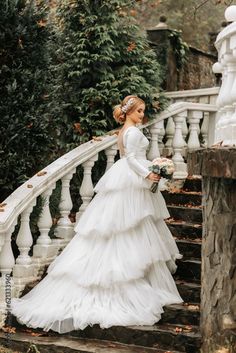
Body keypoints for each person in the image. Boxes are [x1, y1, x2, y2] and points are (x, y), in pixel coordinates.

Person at [11, 95, 183, 334]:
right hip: (132, 178)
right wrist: (149, 174)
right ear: (129, 111)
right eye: (139, 111)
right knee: (128, 226)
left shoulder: (126, 130)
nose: (142, 114)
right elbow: (132, 159)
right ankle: (125, 280)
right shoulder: (132, 132)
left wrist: (152, 168)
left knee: (127, 227)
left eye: (143, 111)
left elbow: (131, 159)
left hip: (126, 176)